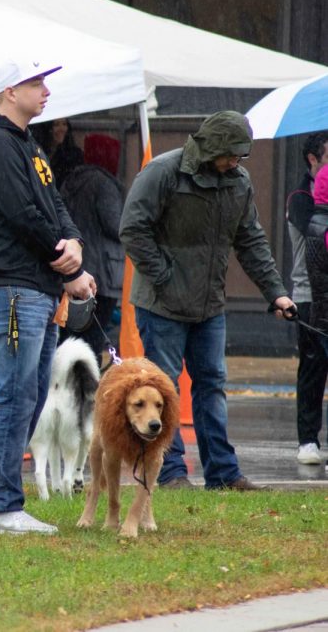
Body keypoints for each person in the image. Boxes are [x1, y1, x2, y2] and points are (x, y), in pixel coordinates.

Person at [120, 110, 295, 490]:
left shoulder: (239, 182)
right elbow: (133, 230)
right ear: (211, 147)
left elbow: (250, 240)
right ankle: (169, 472)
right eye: (231, 153)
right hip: (162, 304)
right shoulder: (163, 173)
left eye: (242, 156)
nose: (237, 161)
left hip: (209, 305)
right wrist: (165, 278)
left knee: (212, 383)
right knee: (163, 388)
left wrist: (276, 293)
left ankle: (224, 473)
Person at [0, 58, 95, 535]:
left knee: (29, 395)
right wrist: (70, 267)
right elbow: (23, 215)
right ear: (8, 91)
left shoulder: (27, 144)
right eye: (36, 83)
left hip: (34, 287)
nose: (46, 91)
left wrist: (74, 242)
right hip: (15, 287)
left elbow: (54, 204)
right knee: (15, 397)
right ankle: (0, 505)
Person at [57, 133, 125, 361]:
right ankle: (90, 390)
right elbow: (116, 225)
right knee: (94, 340)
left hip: (74, 269)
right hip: (103, 275)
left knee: (72, 337)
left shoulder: (70, 182)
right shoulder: (104, 184)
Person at [289, 132, 328, 465]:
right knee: (313, 367)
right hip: (310, 295)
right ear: (313, 159)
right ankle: (307, 439)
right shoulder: (301, 197)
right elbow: (317, 236)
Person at [31, 118, 84, 184]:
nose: (61, 129)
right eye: (56, 125)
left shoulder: (74, 155)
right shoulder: (36, 153)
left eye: (64, 124)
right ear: (48, 128)